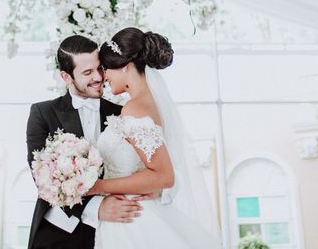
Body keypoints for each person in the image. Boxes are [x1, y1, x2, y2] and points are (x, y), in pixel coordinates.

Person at [88, 27, 223, 248]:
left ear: (125, 66)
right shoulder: (147, 104)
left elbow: (164, 176)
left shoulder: (135, 109)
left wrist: (99, 186)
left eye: (107, 68)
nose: (104, 77)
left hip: (132, 220)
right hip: (130, 212)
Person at [25, 35, 145, 249]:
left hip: (115, 232)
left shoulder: (122, 113)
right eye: (87, 72)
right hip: (58, 234)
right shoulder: (42, 113)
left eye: (100, 68)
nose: (98, 77)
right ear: (66, 76)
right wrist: (96, 207)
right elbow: (42, 178)